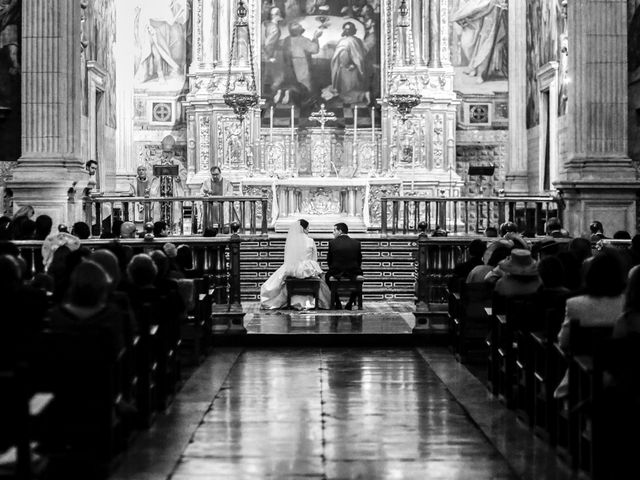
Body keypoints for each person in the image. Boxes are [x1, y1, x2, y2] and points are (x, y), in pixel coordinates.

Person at [554, 251, 626, 398]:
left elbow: (563, 342)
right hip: (625, 377)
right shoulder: (627, 304)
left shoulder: (575, 304)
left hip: (584, 377)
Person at [260, 219, 331, 310]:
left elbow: (288, 257)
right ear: (304, 229)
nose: (308, 230)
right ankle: (311, 300)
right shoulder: (310, 240)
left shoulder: (292, 241)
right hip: (307, 269)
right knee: (319, 278)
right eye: (308, 228)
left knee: (279, 280)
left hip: (293, 267)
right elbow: (314, 258)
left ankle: (287, 300)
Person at [452, 0, 508, 84]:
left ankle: (482, 73)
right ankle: (475, 68)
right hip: (488, 18)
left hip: (496, 16)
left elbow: (489, 6)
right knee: (481, 42)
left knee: (488, 45)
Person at [150, 135, 187, 232]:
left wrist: (179, 178)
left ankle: (174, 229)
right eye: (165, 152)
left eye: (169, 152)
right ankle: (158, 230)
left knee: (174, 212)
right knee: (158, 212)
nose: (167, 154)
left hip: (173, 192)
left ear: (172, 152)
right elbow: (150, 175)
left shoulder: (177, 163)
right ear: (162, 152)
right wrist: (156, 176)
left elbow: (183, 174)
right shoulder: (156, 162)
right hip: (159, 192)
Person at [326, 21, 370, 105]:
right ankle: (363, 94)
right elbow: (364, 52)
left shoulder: (344, 41)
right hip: (357, 67)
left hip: (348, 69)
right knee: (354, 86)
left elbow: (343, 55)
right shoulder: (358, 40)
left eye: (346, 29)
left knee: (346, 92)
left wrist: (346, 65)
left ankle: (363, 95)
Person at [281, 22, 322, 103]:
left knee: (295, 83)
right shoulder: (303, 40)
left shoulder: (287, 39)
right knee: (305, 83)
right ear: (299, 31)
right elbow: (315, 49)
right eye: (298, 26)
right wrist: (316, 37)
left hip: (290, 64)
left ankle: (297, 100)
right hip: (301, 63)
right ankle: (306, 101)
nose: (301, 26)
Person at [326, 222, 363, 309]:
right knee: (359, 278)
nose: (333, 232)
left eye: (334, 230)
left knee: (327, 276)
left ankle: (337, 302)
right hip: (353, 271)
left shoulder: (332, 243)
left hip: (337, 271)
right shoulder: (356, 243)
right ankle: (350, 303)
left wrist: (334, 268)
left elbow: (329, 260)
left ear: (340, 231)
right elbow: (359, 260)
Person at [262, 6, 286, 103]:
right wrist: (268, 57)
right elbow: (268, 44)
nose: (280, 15)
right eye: (278, 13)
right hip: (272, 55)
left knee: (276, 77)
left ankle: (275, 96)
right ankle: (274, 98)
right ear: (274, 16)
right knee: (278, 77)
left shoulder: (269, 25)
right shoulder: (274, 28)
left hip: (272, 53)